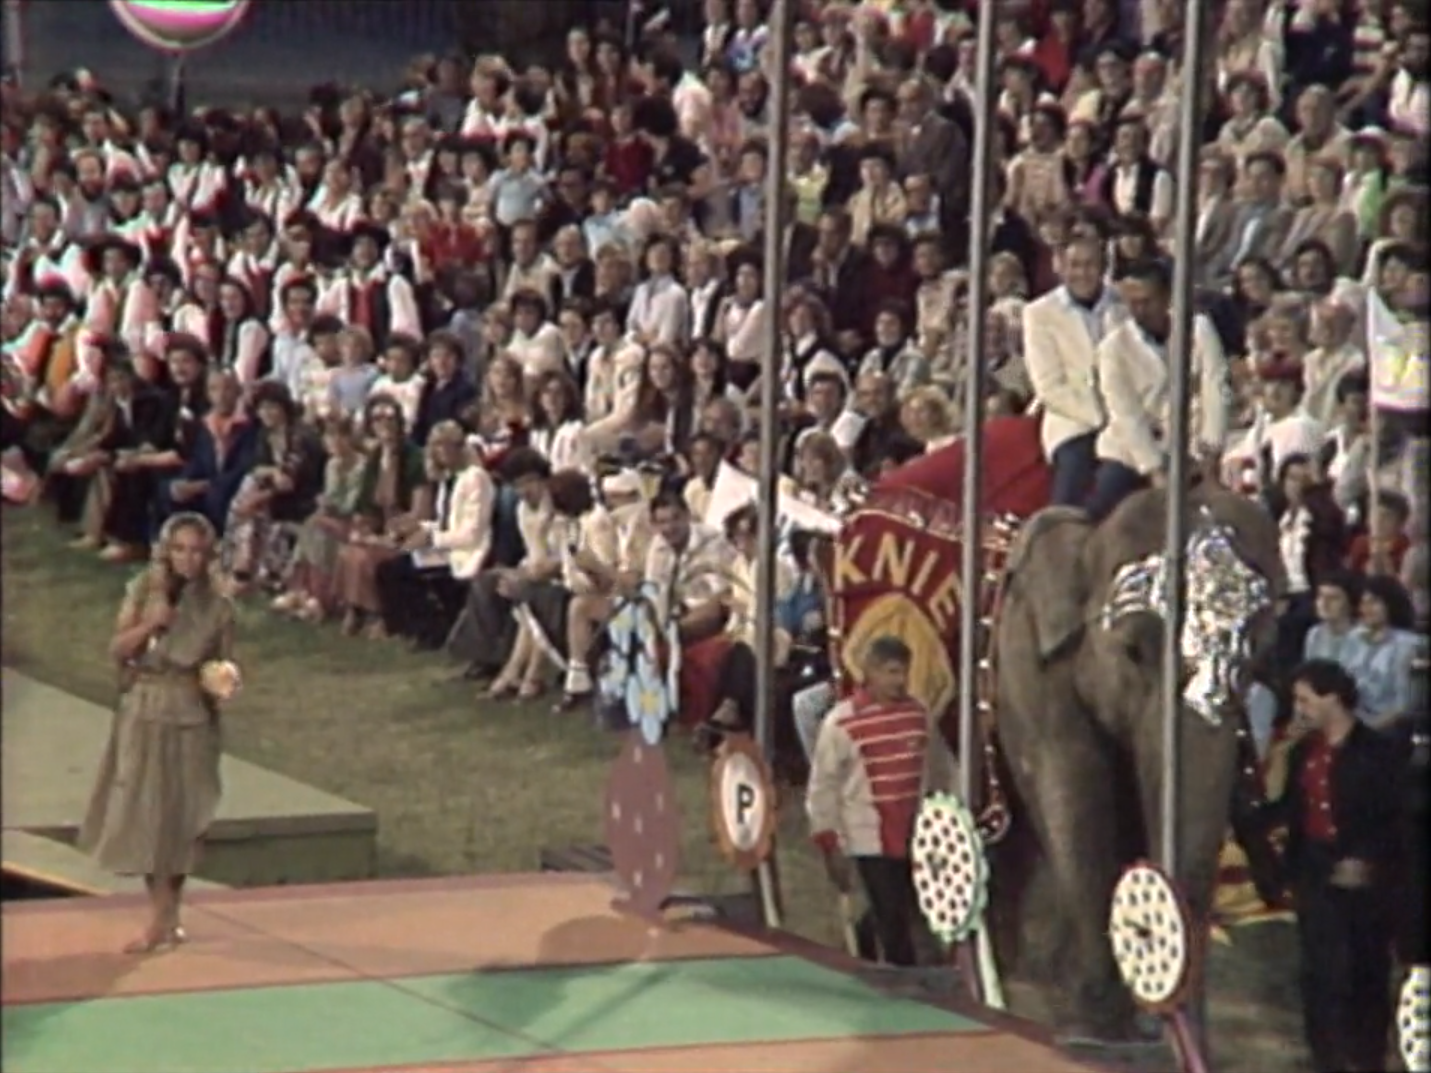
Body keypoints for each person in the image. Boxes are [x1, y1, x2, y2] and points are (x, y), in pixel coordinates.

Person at [78, 512, 238, 953]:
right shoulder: (142, 591)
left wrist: (223, 680)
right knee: (149, 814)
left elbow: (222, 663)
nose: (190, 559)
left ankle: (170, 915)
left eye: (199, 551)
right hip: (146, 707)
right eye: (182, 549)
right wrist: (152, 623)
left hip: (191, 713)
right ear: (167, 551)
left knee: (184, 818)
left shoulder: (219, 606)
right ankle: (160, 917)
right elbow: (118, 650)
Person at [1263, 659, 1402, 1073]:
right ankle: (1325, 1057)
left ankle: (1366, 1055)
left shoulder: (1378, 752)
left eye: (1305, 700)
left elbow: (1392, 816)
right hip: (1315, 870)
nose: (1299, 709)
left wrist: (1366, 859)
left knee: (1363, 968)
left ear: (1333, 698)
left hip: (1365, 875)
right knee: (1318, 970)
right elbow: (1289, 808)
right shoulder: (1304, 750)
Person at [805, 635, 958, 967]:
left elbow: (940, 768)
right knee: (892, 915)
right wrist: (828, 839)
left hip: (913, 831)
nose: (899, 680)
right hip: (867, 836)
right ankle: (905, 982)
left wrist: (949, 817)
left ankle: (866, 945)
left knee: (898, 905)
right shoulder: (841, 722)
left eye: (903, 671)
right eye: (890, 672)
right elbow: (823, 785)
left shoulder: (918, 715)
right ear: (869, 672)